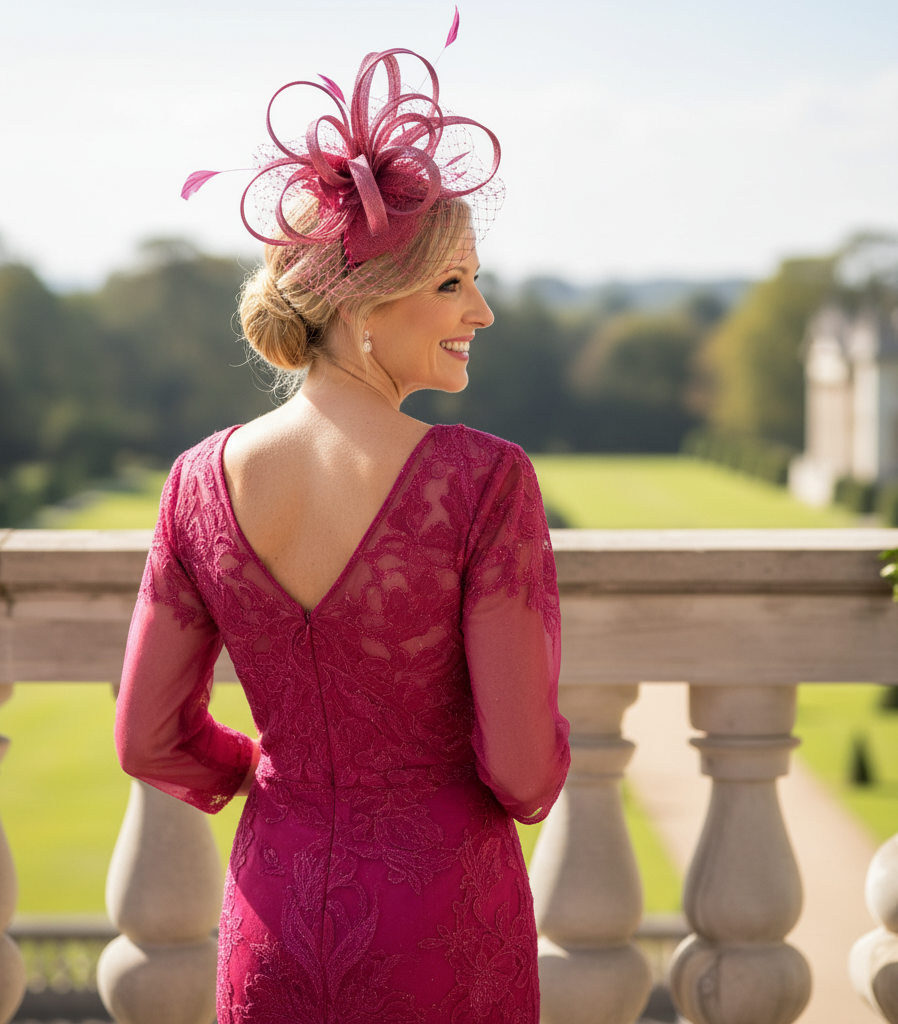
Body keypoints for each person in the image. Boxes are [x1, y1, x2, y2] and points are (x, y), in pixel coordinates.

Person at [115, 44, 570, 1024]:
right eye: (452, 284)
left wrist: (272, 778)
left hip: (272, 916)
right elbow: (524, 773)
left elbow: (148, 738)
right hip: (442, 924)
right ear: (365, 302)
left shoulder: (196, 481)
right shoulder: (484, 480)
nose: (481, 312)